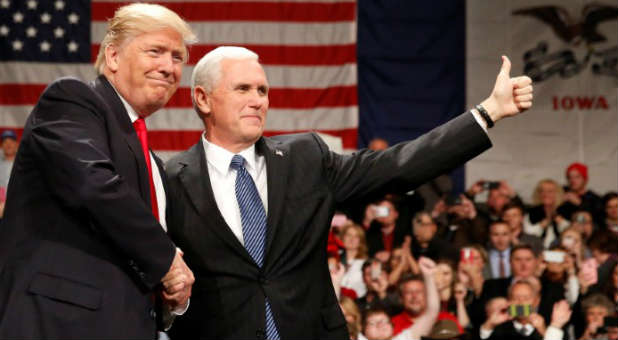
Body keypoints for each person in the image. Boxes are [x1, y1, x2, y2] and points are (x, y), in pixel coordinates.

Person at [164, 46, 533, 339]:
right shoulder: (169, 180)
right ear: (202, 99)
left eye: (262, 90)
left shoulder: (306, 157)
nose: (258, 100)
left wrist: (488, 113)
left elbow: (399, 166)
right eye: (243, 89)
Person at [0, 4, 196, 338]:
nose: (168, 67)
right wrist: (166, 260)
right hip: (61, 325)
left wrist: (172, 296)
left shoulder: (153, 163)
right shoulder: (71, 100)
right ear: (114, 56)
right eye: (155, 52)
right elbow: (94, 185)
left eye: (177, 58)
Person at [390, 258, 459, 338]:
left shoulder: (447, 319)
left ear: (427, 295)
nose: (414, 296)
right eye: (409, 292)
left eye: (419, 292)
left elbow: (432, 311)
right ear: (401, 298)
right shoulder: (391, 325)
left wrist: (428, 276)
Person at [479, 280, 572, 339]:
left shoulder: (552, 326)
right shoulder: (498, 329)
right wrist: (489, 325)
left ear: (536, 301)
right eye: (516, 298)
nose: (521, 302)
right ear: (509, 302)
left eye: (526, 298)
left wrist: (543, 331)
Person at [524, 179, 570, 249]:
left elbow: (572, 232)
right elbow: (527, 233)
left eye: (550, 191)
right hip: (537, 249)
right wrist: (541, 225)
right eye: (542, 191)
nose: (545, 194)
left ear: (557, 194)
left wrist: (561, 222)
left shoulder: (566, 210)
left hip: (562, 248)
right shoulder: (532, 212)